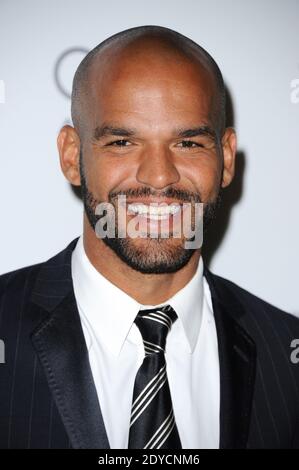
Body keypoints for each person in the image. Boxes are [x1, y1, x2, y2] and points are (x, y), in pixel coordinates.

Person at [0, 25, 299, 450]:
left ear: (226, 158)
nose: (159, 176)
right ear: (72, 155)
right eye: (122, 141)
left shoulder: (287, 354)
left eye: (189, 143)